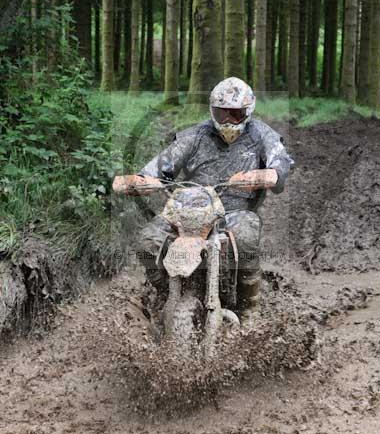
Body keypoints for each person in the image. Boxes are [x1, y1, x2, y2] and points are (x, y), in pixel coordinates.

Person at [113, 78, 293, 326]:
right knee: (147, 241)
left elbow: (280, 162)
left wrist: (265, 175)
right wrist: (141, 181)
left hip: (233, 210)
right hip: (189, 208)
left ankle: (250, 304)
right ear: (212, 110)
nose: (228, 120)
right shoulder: (196, 135)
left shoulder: (261, 135)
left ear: (248, 112)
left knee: (246, 235)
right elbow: (163, 164)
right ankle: (162, 290)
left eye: (235, 114)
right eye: (222, 113)